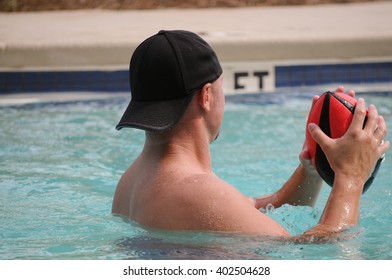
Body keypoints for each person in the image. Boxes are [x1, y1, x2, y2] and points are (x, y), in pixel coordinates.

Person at [112, 30, 389, 239]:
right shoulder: (198, 193)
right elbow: (318, 256)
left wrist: (312, 168)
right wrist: (350, 177)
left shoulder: (133, 180)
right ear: (206, 96)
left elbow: (248, 211)